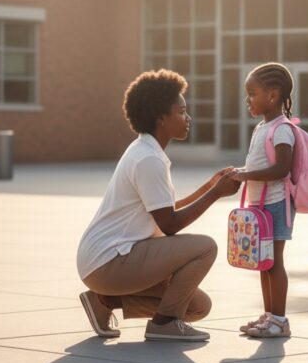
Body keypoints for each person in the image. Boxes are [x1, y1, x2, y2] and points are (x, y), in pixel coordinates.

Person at [76, 69, 240, 342]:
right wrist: (215, 194)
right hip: (108, 261)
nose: (188, 118)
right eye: (182, 111)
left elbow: (164, 209)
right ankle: (164, 324)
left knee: (198, 306)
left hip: (106, 261)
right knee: (205, 247)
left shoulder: (146, 151)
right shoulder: (148, 159)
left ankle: (103, 301)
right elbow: (170, 225)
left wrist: (210, 187)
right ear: (160, 118)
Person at [228, 63, 296, 338]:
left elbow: (281, 169)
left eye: (252, 93)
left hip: (277, 205)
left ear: (273, 95)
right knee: (263, 262)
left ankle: (280, 320)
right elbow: (259, 164)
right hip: (260, 206)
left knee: (274, 262)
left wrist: (246, 176)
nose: (248, 99)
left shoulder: (282, 129)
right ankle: (270, 316)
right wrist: (241, 172)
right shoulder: (261, 128)